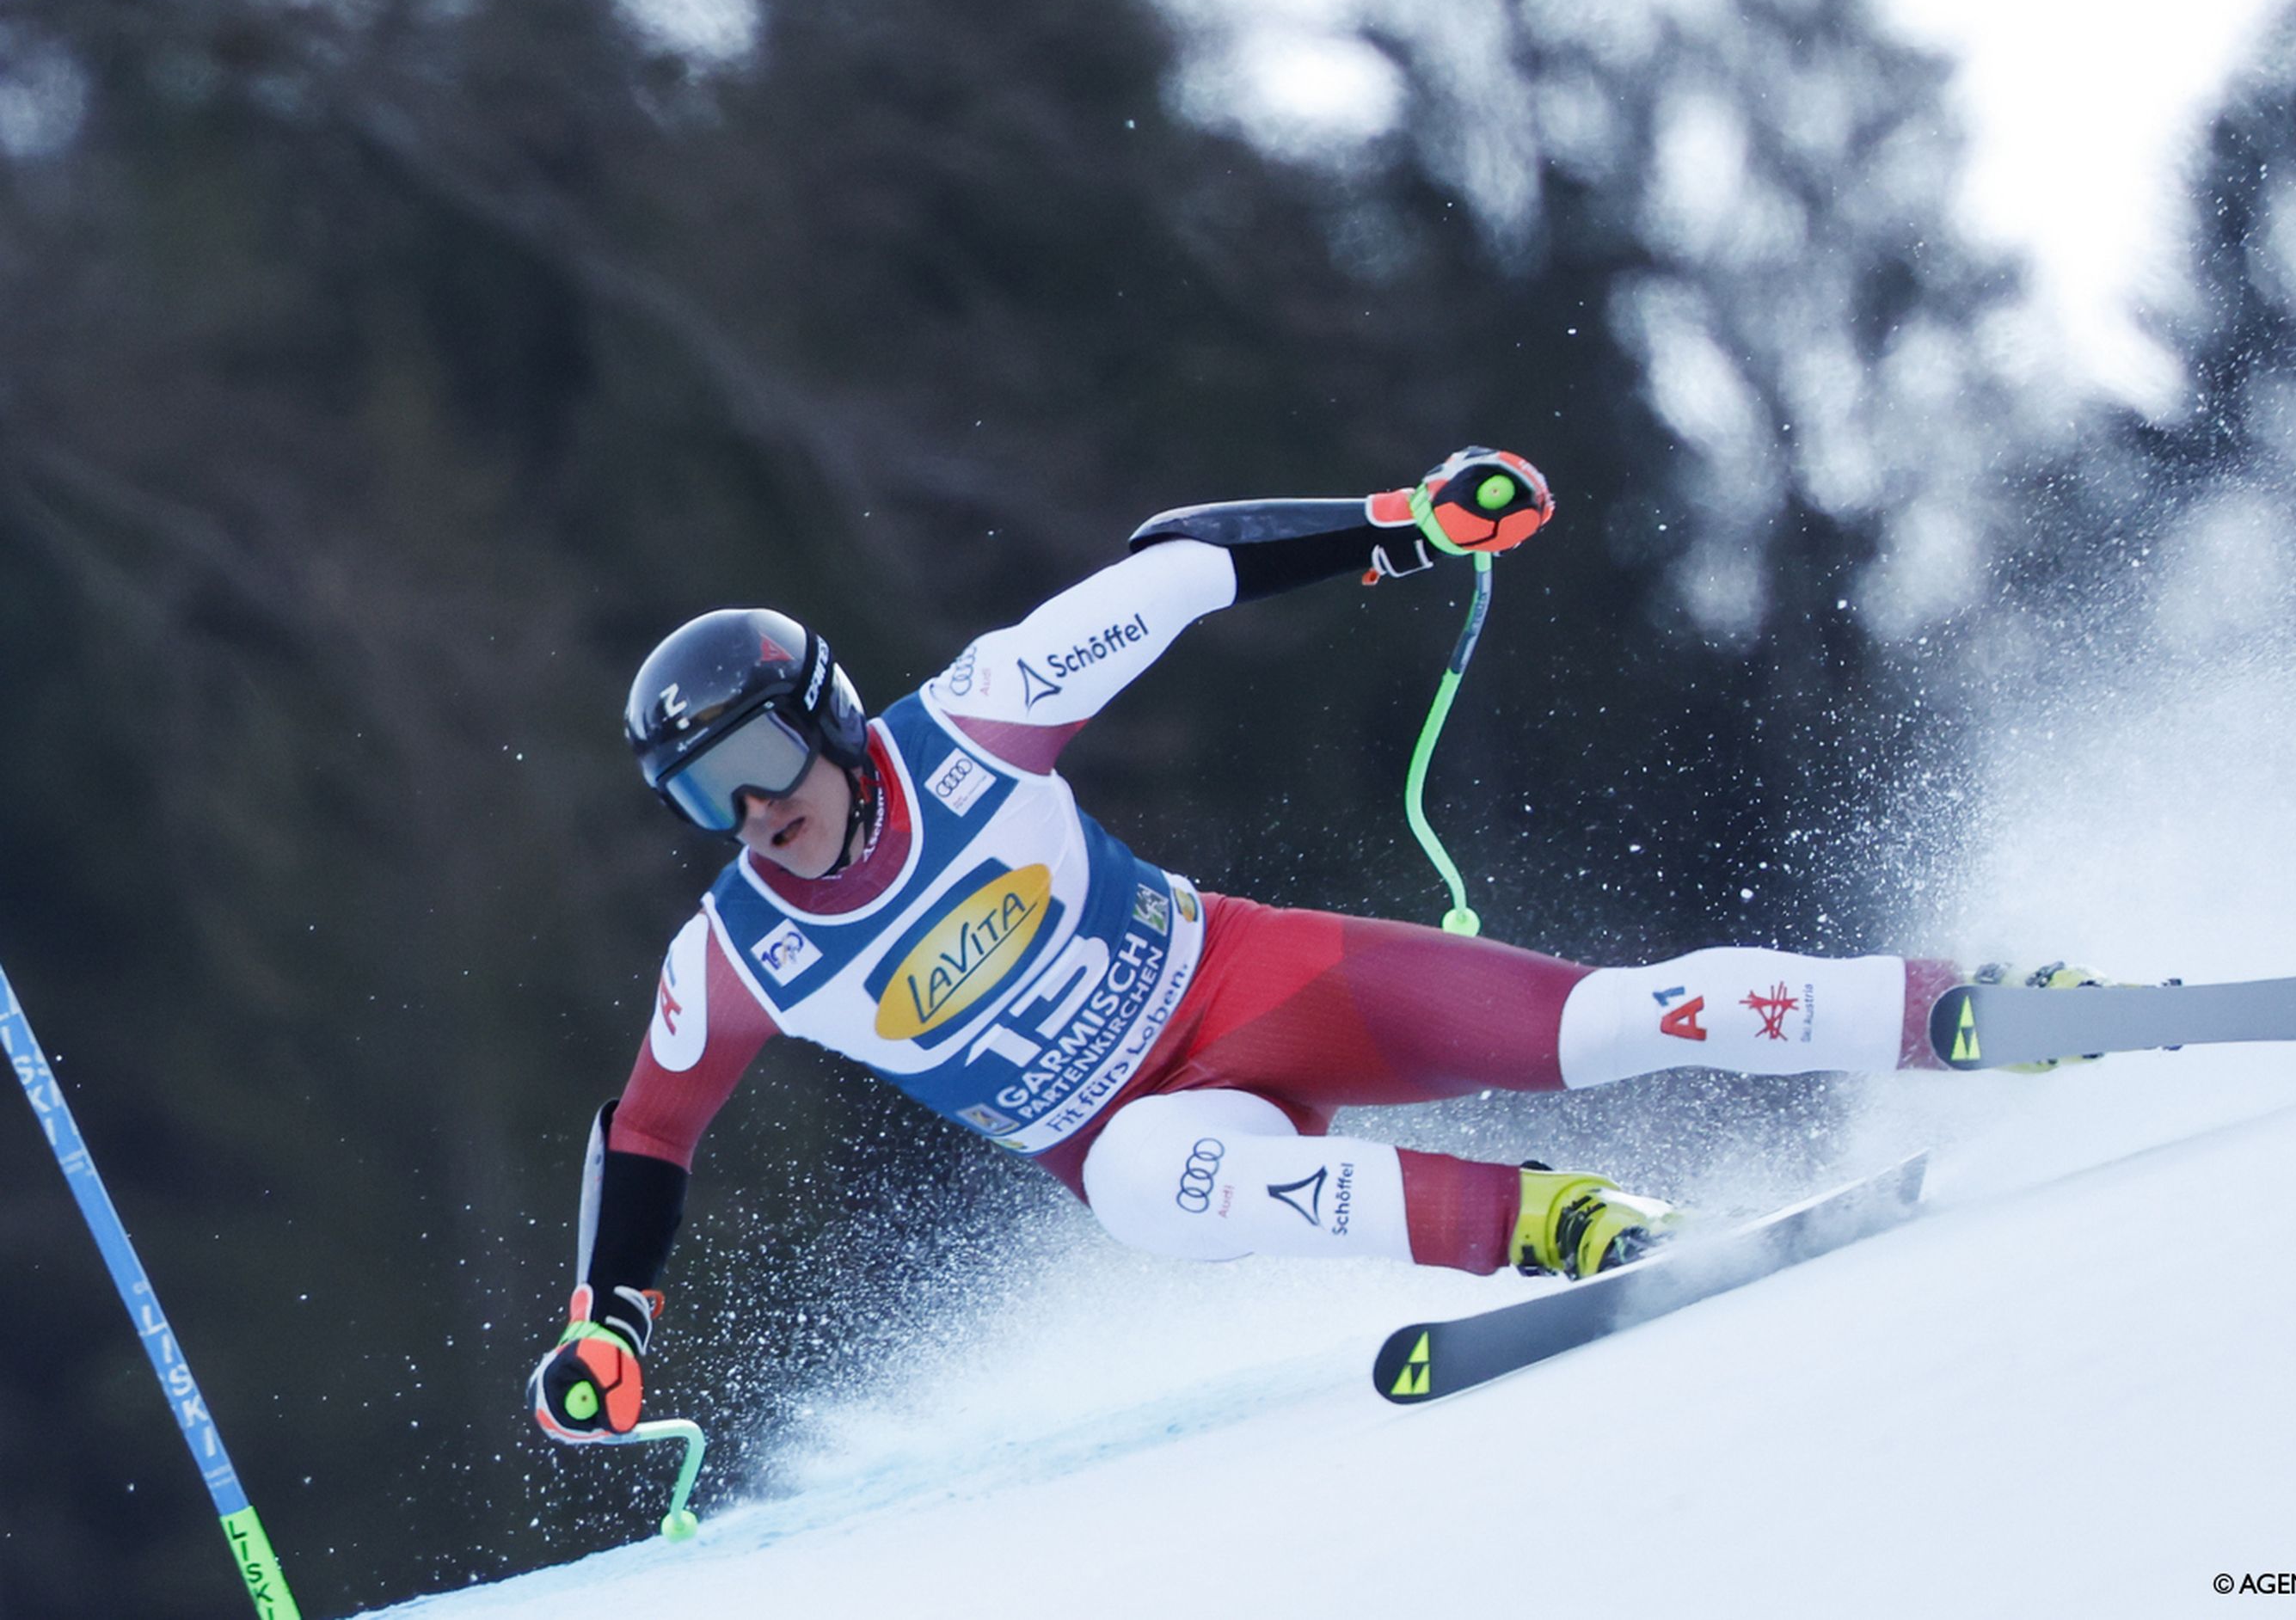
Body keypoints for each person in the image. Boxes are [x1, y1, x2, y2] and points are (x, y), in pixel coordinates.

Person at [525, 448, 2103, 1444]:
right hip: (1141, 1129)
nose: (744, 816)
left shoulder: (980, 723)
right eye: (696, 794)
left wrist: (1408, 525)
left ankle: (1975, 1012)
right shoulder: (736, 954)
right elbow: (650, 1128)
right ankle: (1574, 1229)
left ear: (825, 722)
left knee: (1602, 1024)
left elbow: (1180, 568)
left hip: (1261, 988)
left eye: (753, 768)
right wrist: (610, 1322)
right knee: (1146, 1186)